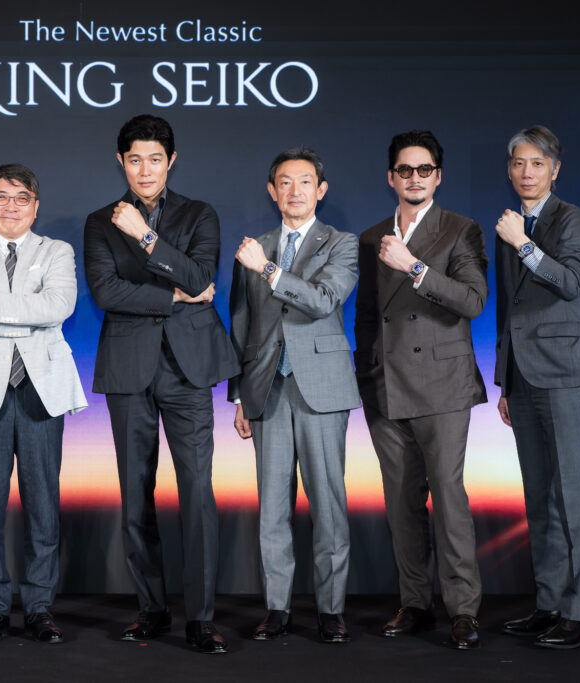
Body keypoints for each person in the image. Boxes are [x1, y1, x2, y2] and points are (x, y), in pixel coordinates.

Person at [83, 114, 239, 653]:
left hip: (188, 370)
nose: (145, 170)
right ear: (120, 162)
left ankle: (201, 618)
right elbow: (105, 292)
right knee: (135, 496)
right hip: (128, 369)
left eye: (155, 159)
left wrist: (144, 236)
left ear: (171, 161)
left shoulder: (200, 214)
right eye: (134, 160)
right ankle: (151, 610)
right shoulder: (99, 221)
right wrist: (173, 296)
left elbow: (202, 277)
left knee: (197, 492)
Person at [354, 130, 487, 650]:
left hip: (443, 386)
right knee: (401, 501)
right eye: (405, 170)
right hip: (386, 387)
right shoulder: (371, 237)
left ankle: (464, 610)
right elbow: (367, 317)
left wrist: (413, 266)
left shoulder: (460, 229)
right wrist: (366, 376)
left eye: (424, 169)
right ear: (391, 177)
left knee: (449, 498)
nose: (415, 178)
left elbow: (472, 301)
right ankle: (414, 602)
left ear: (438, 176)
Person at [0, 164, 87, 644]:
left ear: (36, 206)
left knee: (43, 503)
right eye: (2, 197)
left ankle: (40, 607)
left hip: (41, 386)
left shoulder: (57, 251)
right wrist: (26, 312)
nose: (11, 206)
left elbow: (59, 308)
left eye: (21, 197)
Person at [229, 147, 360, 644]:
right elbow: (242, 323)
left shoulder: (341, 243)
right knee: (272, 507)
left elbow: (323, 300)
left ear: (320, 190)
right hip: (267, 388)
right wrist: (239, 396)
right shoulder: (254, 246)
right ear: (272, 191)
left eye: (305, 181)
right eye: (285, 182)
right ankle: (277, 608)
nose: (295, 190)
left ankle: (331, 610)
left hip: (321, 386)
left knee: (328, 502)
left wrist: (268, 270)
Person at [494, 125, 580, 649]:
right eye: (518, 163)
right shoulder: (509, 223)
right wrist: (504, 380)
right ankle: (549, 603)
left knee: (572, 496)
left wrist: (524, 244)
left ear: (555, 170)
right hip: (523, 378)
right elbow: (506, 308)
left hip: (563, 374)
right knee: (539, 497)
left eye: (537, 163)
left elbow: (571, 282)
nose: (527, 172)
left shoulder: (569, 217)